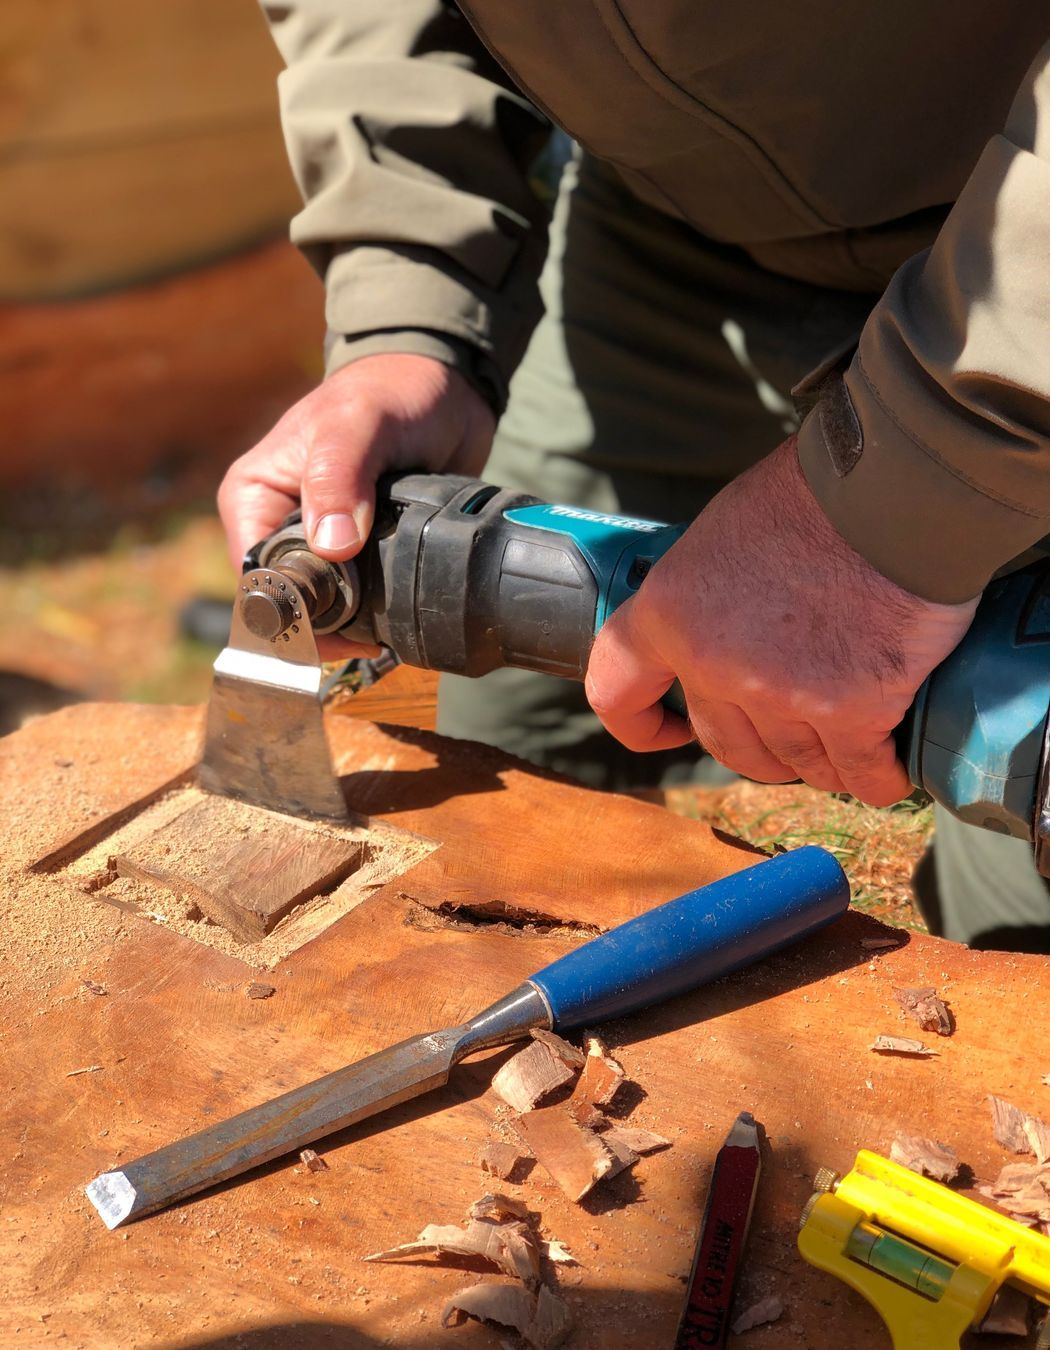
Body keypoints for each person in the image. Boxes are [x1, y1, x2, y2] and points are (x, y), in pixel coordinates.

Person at [218, 4, 1050, 948]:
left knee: (1015, 906)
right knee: (507, 760)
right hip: (675, 219)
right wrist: (409, 310)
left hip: (1024, 259)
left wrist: (893, 503)